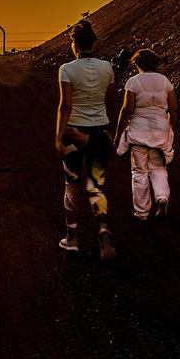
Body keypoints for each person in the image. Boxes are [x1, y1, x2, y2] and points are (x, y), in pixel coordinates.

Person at [55, 21, 117, 260]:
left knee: (72, 183)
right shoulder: (107, 67)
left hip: (74, 131)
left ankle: (71, 238)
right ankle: (103, 229)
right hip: (100, 131)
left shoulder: (67, 69)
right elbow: (110, 99)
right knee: (96, 184)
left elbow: (66, 105)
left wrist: (59, 137)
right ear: (94, 42)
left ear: (74, 44)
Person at [114, 49, 178, 220]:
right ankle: (162, 198)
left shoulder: (133, 82)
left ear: (137, 64)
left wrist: (118, 133)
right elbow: (174, 109)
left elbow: (127, 111)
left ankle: (142, 212)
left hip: (139, 131)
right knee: (158, 168)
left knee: (140, 171)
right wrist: (170, 129)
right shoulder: (165, 81)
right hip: (160, 130)